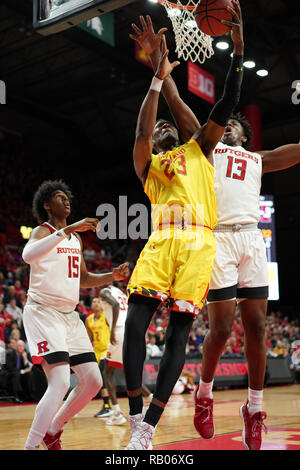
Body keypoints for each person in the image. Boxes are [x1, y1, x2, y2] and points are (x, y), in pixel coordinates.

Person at [130, 5, 300, 451]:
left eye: (238, 128)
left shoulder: (257, 160)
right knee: (222, 328)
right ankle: (203, 393)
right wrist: (160, 71)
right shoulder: (204, 146)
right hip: (213, 237)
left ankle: (255, 407)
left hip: (249, 238)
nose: (231, 130)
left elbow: (296, 150)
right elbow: (177, 103)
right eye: (227, 127)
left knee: (259, 325)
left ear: (245, 135)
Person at [123, 4, 245, 450]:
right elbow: (140, 134)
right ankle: (135, 415)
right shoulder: (150, 166)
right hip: (162, 241)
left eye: (163, 129)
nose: (158, 132)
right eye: (155, 133)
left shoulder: (200, 147)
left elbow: (225, 102)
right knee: (134, 327)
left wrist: (237, 51)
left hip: (198, 242)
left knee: (178, 334)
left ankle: (150, 426)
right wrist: (156, 77)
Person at [21, 179, 130, 450]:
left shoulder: (76, 239)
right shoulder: (41, 232)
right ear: (47, 205)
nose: (66, 200)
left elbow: (82, 279)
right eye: (59, 197)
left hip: (70, 317)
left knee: (93, 381)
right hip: (43, 312)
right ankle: (31, 445)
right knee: (58, 382)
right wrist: (67, 228)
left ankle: (54, 429)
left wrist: (111, 276)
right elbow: (27, 255)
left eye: (67, 197)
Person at [95, 284, 153, 426]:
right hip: (132, 329)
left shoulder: (104, 291)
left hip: (120, 330)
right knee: (129, 372)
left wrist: (113, 328)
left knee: (107, 373)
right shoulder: (119, 291)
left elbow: (114, 305)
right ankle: (151, 400)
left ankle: (117, 413)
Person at [85, 296, 113, 419]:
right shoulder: (89, 319)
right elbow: (88, 338)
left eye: (98, 302)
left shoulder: (106, 316)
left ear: (102, 305)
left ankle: (107, 407)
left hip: (107, 351)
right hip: (96, 352)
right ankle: (107, 406)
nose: (95, 303)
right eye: (93, 301)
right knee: (99, 379)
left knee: (103, 377)